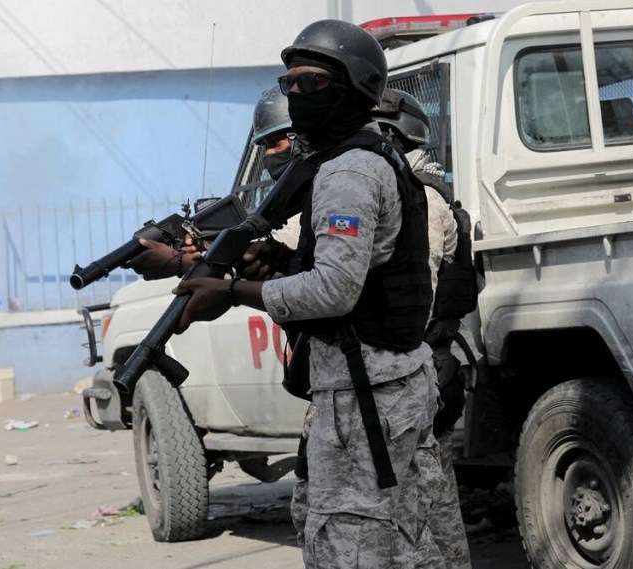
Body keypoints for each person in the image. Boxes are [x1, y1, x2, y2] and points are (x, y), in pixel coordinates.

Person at [173, 20, 444, 567]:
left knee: (352, 546)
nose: (295, 95)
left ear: (354, 87)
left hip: (364, 395)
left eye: (312, 82)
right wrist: (281, 260)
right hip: (387, 385)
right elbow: (358, 270)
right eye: (289, 82)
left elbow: (336, 291)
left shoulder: (347, 173)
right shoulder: (362, 159)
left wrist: (231, 293)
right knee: (415, 543)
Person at [377, 88, 476, 569]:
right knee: (438, 505)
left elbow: (421, 289)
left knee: (416, 514)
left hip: (411, 374)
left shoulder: (418, 199)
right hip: (432, 368)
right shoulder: (434, 193)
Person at [127, 85, 303, 279]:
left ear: (301, 141)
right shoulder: (286, 198)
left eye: (276, 142)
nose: (268, 154)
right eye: (264, 146)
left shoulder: (321, 192)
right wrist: (208, 246)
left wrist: (183, 262)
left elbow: (289, 241)